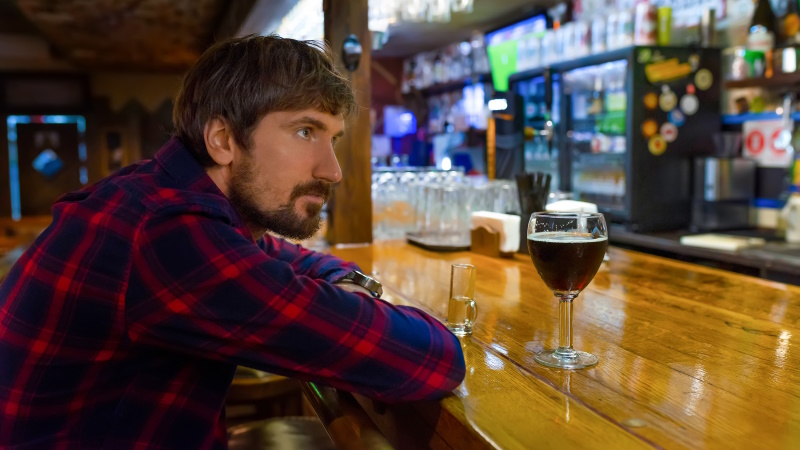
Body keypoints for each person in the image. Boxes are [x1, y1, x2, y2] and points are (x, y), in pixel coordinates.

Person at [0, 35, 466, 449]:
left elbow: (286, 257)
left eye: (334, 139)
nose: (333, 170)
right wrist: (348, 305)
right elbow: (431, 358)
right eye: (305, 132)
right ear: (223, 139)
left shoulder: (168, 199)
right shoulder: (168, 236)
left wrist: (350, 283)